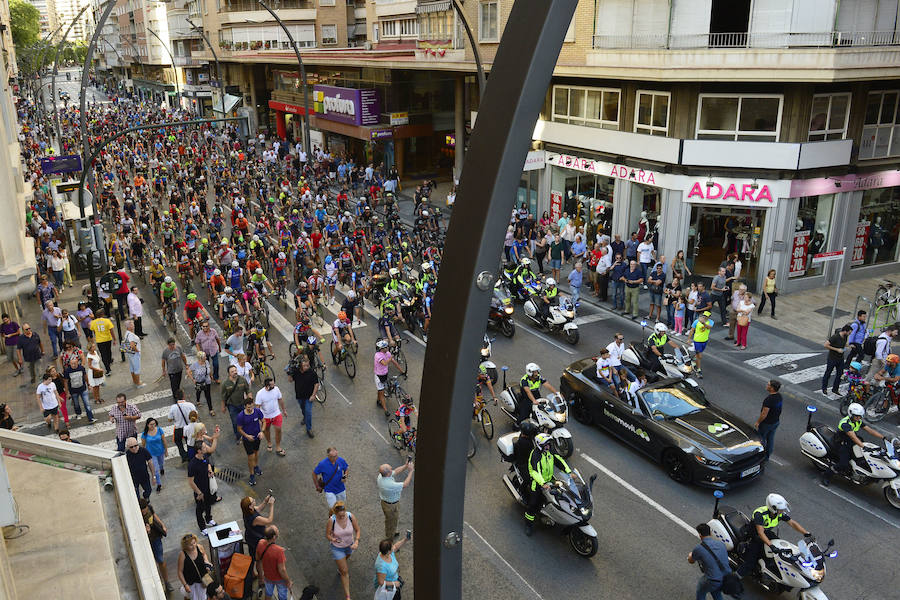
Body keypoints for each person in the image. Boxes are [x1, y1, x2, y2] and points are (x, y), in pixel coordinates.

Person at [736, 493, 809, 577]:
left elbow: (792, 523)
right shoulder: (759, 514)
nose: (782, 511)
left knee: (783, 549)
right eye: (780, 509)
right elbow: (760, 533)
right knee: (750, 562)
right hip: (755, 537)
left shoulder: (778, 514)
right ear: (773, 508)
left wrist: (806, 533)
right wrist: (771, 546)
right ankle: (737, 576)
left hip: (767, 534)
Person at [821, 402, 887, 486]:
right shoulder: (845, 423)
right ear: (851, 414)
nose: (858, 418)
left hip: (852, 442)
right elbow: (853, 437)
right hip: (842, 443)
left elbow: (870, 430)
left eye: (860, 416)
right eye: (857, 416)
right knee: (843, 464)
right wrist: (863, 446)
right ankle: (826, 475)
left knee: (863, 458)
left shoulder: (858, 421)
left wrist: (884, 437)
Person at [525, 432, 572, 535]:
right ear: (540, 445)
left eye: (549, 444)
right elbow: (534, 472)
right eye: (546, 445)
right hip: (537, 483)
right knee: (533, 504)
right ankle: (529, 525)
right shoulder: (535, 455)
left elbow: (559, 460)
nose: (548, 446)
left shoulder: (550, 451)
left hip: (549, 480)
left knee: (564, 493)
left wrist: (569, 472)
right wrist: (542, 483)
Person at [326, 501, 360, 600]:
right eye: (339, 516)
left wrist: (357, 542)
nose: (342, 517)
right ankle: (348, 597)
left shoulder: (350, 516)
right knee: (344, 571)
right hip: (337, 547)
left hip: (349, 545)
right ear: (335, 514)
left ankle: (341, 565)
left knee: (345, 559)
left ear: (345, 511)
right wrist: (332, 539)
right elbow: (327, 535)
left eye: (343, 515)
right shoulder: (331, 521)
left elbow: (357, 530)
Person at [139, 499, 173, 594]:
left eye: (145, 510)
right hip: (146, 543)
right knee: (151, 565)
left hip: (156, 539)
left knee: (161, 561)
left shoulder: (149, 508)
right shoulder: (138, 517)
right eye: (143, 511)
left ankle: (167, 583)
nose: (144, 512)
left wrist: (162, 525)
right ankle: (159, 584)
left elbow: (154, 515)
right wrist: (147, 531)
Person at [688, 523, 728, 600]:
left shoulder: (699, 548)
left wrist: (690, 555)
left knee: (701, 591)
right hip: (724, 577)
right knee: (715, 592)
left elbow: (691, 561)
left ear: (700, 534)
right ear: (711, 533)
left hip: (712, 579)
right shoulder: (721, 544)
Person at [241, 494, 275, 583]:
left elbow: (259, 508)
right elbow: (269, 521)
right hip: (256, 540)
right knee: (258, 560)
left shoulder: (247, 511)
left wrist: (265, 501)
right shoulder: (254, 518)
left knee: (253, 557)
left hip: (250, 536)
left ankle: (252, 573)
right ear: (250, 506)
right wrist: (271, 506)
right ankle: (261, 579)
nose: (255, 500)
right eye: (253, 501)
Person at [377, 461, 414, 539]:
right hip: (391, 505)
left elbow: (396, 471)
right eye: (391, 469)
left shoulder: (381, 476)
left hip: (387, 503)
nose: (392, 469)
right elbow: (405, 484)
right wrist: (411, 471)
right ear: (388, 473)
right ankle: (389, 539)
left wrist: (405, 465)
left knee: (393, 520)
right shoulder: (389, 485)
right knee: (391, 522)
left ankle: (393, 531)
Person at [257, 526, 292, 600]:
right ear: (273, 537)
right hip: (279, 579)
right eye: (277, 531)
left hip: (267, 576)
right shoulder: (279, 551)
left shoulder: (260, 543)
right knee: (282, 595)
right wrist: (288, 581)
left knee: (268, 593)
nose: (278, 531)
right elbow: (282, 570)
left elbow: (258, 558)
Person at [187, 441, 216, 531]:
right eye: (204, 447)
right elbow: (191, 481)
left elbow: (208, 464)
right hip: (199, 490)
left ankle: (208, 519)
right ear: (199, 451)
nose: (206, 448)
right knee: (199, 509)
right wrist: (199, 493)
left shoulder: (205, 456)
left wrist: (210, 471)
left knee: (208, 505)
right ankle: (202, 527)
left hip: (207, 486)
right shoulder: (192, 465)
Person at [236, 397, 265, 486]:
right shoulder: (241, 416)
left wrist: (262, 432)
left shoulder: (257, 411)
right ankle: (252, 475)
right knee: (250, 456)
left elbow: (264, 421)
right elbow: (239, 429)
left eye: (251, 406)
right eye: (248, 407)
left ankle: (256, 466)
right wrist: (247, 436)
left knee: (256, 453)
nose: (250, 409)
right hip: (247, 440)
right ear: (245, 406)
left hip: (257, 438)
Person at [288, 356, 318, 438]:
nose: (307, 367)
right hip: (299, 396)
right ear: (301, 365)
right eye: (305, 366)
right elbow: (290, 380)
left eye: (308, 365)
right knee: (303, 409)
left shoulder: (312, 373)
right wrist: (289, 373)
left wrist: (313, 395)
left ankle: (309, 428)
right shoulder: (296, 372)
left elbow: (316, 384)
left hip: (309, 397)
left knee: (308, 411)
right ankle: (305, 417)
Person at [177, 533, 213, 600]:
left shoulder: (199, 547)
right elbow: (180, 571)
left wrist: (206, 561)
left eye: (194, 543)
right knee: (194, 598)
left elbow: (204, 554)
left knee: (203, 597)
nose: (194, 546)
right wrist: (185, 585)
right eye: (191, 545)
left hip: (203, 578)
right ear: (185, 546)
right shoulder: (182, 555)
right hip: (191, 581)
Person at [256, 378, 286, 456]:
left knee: (278, 429)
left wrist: (284, 410)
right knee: (267, 430)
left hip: (276, 414)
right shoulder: (260, 394)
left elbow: (280, 399)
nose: (274, 385)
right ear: (267, 386)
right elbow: (258, 407)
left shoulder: (276, 389)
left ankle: (278, 447)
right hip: (265, 416)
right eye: (272, 385)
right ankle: (269, 442)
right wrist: (259, 419)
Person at [222, 364, 251, 443]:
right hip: (232, 405)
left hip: (242, 403)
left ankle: (245, 433)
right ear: (229, 373)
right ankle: (238, 436)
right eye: (232, 371)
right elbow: (223, 397)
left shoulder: (242, 379)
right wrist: (223, 407)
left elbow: (248, 390)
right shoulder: (225, 383)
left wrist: (250, 400)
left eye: (235, 370)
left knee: (245, 419)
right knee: (235, 422)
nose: (235, 372)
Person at [754, 381, 782, 462]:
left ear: (772, 388)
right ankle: (767, 456)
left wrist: (758, 422)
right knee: (770, 439)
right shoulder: (779, 396)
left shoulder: (769, 400)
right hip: (775, 422)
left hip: (766, 424)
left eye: (768, 385)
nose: (767, 386)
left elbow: (764, 414)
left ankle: (759, 457)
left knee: (761, 439)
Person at [374, 339, 403, 417]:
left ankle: (378, 399)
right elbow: (385, 363)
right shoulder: (377, 355)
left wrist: (402, 371)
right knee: (382, 393)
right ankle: (385, 410)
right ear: (382, 349)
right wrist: (391, 357)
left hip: (385, 374)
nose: (387, 348)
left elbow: (394, 362)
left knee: (381, 391)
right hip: (379, 376)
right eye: (386, 347)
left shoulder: (387, 353)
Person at [374, 535, 409, 600]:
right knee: (393, 597)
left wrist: (405, 539)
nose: (393, 546)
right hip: (389, 587)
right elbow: (381, 582)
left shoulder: (387, 553)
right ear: (388, 551)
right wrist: (394, 584)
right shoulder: (381, 566)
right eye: (392, 546)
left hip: (394, 580)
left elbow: (396, 546)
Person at [821, 325, 851, 398]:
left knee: (840, 374)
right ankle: (824, 388)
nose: (849, 334)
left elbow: (843, 344)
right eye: (849, 333)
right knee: (828, 373)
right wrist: (837, 349)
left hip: (840, 358)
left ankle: (835, 389)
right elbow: (826, 345)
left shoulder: (845, 336)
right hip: (832, 358)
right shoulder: (835, 337)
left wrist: (848, 345)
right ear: (845, 331)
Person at [63, 355, 95, 423]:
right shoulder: (67, 371)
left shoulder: (81, 368)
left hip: (83, 389)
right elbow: (65, 382)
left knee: (87, 404)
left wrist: (88, 385)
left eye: (75, 363)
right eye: (72, 364)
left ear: (78, 363)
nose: (74, 365)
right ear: (70, 364)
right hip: (73, 391)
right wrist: (67, 392)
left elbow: (85, 376)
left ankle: (90, 418)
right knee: (76, 404)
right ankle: (78, 413)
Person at [169, 389, 198, 463]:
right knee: (189, 442)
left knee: (178, 441)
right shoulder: (190, 405)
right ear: (184, 396)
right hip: (189, 427)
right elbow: (196, 415)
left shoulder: (173, 407)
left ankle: (184, 455)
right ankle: (190, 455)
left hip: (179, 429)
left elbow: (170, 419)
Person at [141, 417, 168, 492]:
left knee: (161, 463)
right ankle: (159, 484)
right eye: (151, 424)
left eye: (154, 424)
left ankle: (162, 468)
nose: (153, 426)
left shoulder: (159, 430)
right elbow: (143, 445)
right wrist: (143, 455)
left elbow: (164, 440)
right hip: (151, 454)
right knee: (155, 469)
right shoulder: (144, 434)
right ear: (147, 425)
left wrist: (166, 450)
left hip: (160, 451)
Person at [125, 436, 155, 500]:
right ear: (128, 447)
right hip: (133, 479)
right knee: (136, 496)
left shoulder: (143, 451)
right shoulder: (126, 455)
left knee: (148, 490)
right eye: (131, 447)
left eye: (135, 445)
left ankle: (146, 497)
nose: (134, 448)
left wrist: (153, 476)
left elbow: (150, 463)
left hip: (144, 477)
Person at [686, 311, 714, 379]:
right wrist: (689, 339)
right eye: (704, 316)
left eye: (707, 316)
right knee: (700, 356)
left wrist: (703, 323)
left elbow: (709, 327)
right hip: (697, 341)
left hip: (705, 341)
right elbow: (692, 330)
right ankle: (698, 370)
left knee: (699, 354)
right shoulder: (696, 321)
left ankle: (693, 360)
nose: (705, 317)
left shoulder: (711, 322)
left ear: (709, 317)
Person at [89, 310, 116, 375]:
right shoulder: (107, 321)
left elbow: (93, 331)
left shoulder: (93, 322)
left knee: (103, 354)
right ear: (103, 314)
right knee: (108, 351)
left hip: (100, 340)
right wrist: (114, 339)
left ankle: (108, 369)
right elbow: (111, 330)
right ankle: (109, 361)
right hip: (108, 339)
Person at [188, 351, 214, 415]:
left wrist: (211, 376)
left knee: (208, 395)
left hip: (207, 381)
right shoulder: (195, 365)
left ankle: (211, 410)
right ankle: (198, 400)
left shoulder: (207, 362)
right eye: (205, 356)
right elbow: (188, 371)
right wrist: (193, 379)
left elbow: (209, 369)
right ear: (201, 358)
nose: (206, 357)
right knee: (198, 392)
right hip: (199, 382)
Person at [123, 320, 145, 387]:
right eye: (132, 324)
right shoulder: (131, 335)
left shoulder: (127, 333)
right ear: (129, 327)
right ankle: (138, 383)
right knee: (137, 368)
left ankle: (135, 381)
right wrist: (137, 350)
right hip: (134, 354)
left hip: (130, 353)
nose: (134, 325)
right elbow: (132, 345)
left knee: (132, 367)